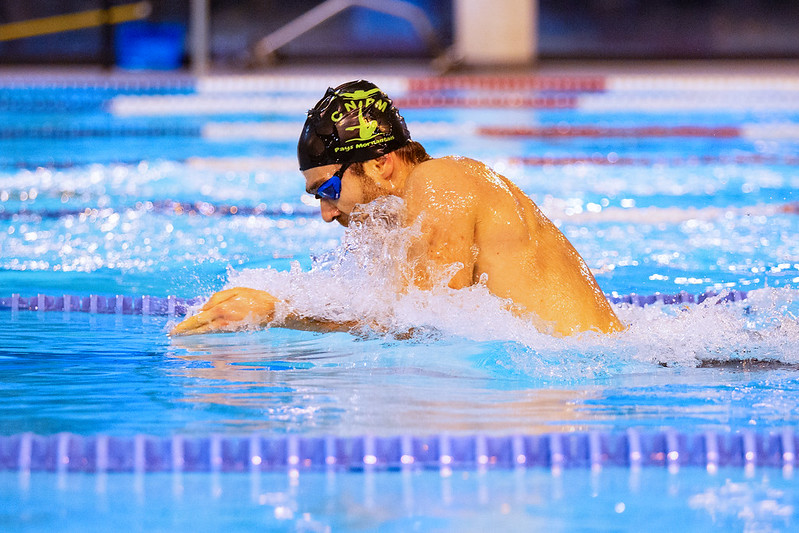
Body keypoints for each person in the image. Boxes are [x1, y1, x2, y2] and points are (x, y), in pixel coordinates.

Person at [171, 80, 624, 337]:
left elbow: (423, 332)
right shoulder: (417, 208)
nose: (327, 213)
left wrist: (280, 314)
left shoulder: (439, 181)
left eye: (327, 188)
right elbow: (412, 321)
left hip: (591, 386)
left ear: (380, 163)